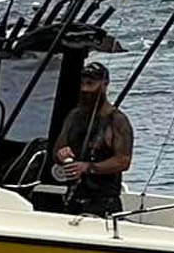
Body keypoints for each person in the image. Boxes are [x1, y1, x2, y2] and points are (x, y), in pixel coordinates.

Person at [51, 61, 134, 216]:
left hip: (104, 203)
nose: (85, 89)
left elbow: (123, 161)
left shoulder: (117, 120)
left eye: (91, 84)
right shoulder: (74, 116)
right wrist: (61, 154)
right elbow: (57, 150)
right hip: (74, 199)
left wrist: (88, 167)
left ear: (104, 84)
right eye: (82, 84)